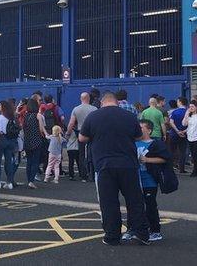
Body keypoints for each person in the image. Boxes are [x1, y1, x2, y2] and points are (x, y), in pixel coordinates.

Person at [79, 91, 149, 246]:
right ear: (116, 102)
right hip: (128, 164)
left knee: (108, 202)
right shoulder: (129, 116)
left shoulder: (93, 116)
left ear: (103, 102)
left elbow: (82, 138)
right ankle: (142, 233)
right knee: (134, 200)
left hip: (104, 165)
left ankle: (112, 236)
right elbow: (138, 136)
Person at [125, 119, 168, 242]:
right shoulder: (133, 143)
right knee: (132, 205)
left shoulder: (155, 144)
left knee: (150, 205)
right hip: (134, 179)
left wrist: (148, 160)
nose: (139, 130)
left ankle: (155, 230)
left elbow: (165, 159)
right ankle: (132, 229)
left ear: (149, 130)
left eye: (142, 127)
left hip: (149, 180)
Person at [66, 92, 97, 182]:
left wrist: (68, 134)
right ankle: (92, 174)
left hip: (81, 132)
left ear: (81, 99)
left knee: (81, 154)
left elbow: (71, 123)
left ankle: (83, 175)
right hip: (92, 133)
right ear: (89, 99)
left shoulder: (76, 109)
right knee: (92, 153)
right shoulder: (94, 109)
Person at [0, 100, 18, 189]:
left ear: (2, 107)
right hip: (10, 140)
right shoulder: (12, 117)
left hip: (1, 140)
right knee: (8, 161)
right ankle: (9, 182)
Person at [22, 98, 46, 188]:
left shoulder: (26, 115)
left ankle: (29, 179)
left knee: (29, 161)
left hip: (27, 140)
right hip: (36, 140)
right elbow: (41, 129)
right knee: (35, 161)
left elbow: (24, 128)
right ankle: (31, 180)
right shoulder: (38, 115)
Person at [166, 97, 188, 173]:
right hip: (185, 134)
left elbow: (171, 122)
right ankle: (182, 168)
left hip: (174, 134)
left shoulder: (175, 112)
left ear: (180, 102)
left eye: (178, 101)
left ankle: (171, 167)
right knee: (182, 151)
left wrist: (177, 131)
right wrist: (183, 131)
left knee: (172, 151)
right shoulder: (188, 112)